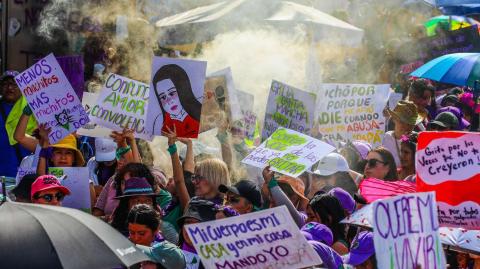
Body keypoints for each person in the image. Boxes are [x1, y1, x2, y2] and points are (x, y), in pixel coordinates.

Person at [151, 64, 202, 138]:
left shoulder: (201, 113)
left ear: (183, 90)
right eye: (163, 97)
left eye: (172, 93)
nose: (169, 101)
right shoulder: (163, 127)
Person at [0, 70, 33, 177]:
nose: (9, 88)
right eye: (5, 84)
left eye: (14, 84)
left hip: (27, 173)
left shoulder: (34, 107)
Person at [177, 199, 217, 269]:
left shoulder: (221, 261)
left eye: (199, 223)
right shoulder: (171, 254)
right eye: (188, 222)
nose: (191, 229)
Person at [382, 100, 419, 166]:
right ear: (394, 119)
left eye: (411, 124)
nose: (406, 126)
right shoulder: (385, 138)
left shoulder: (418, 139)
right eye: (402, 122)